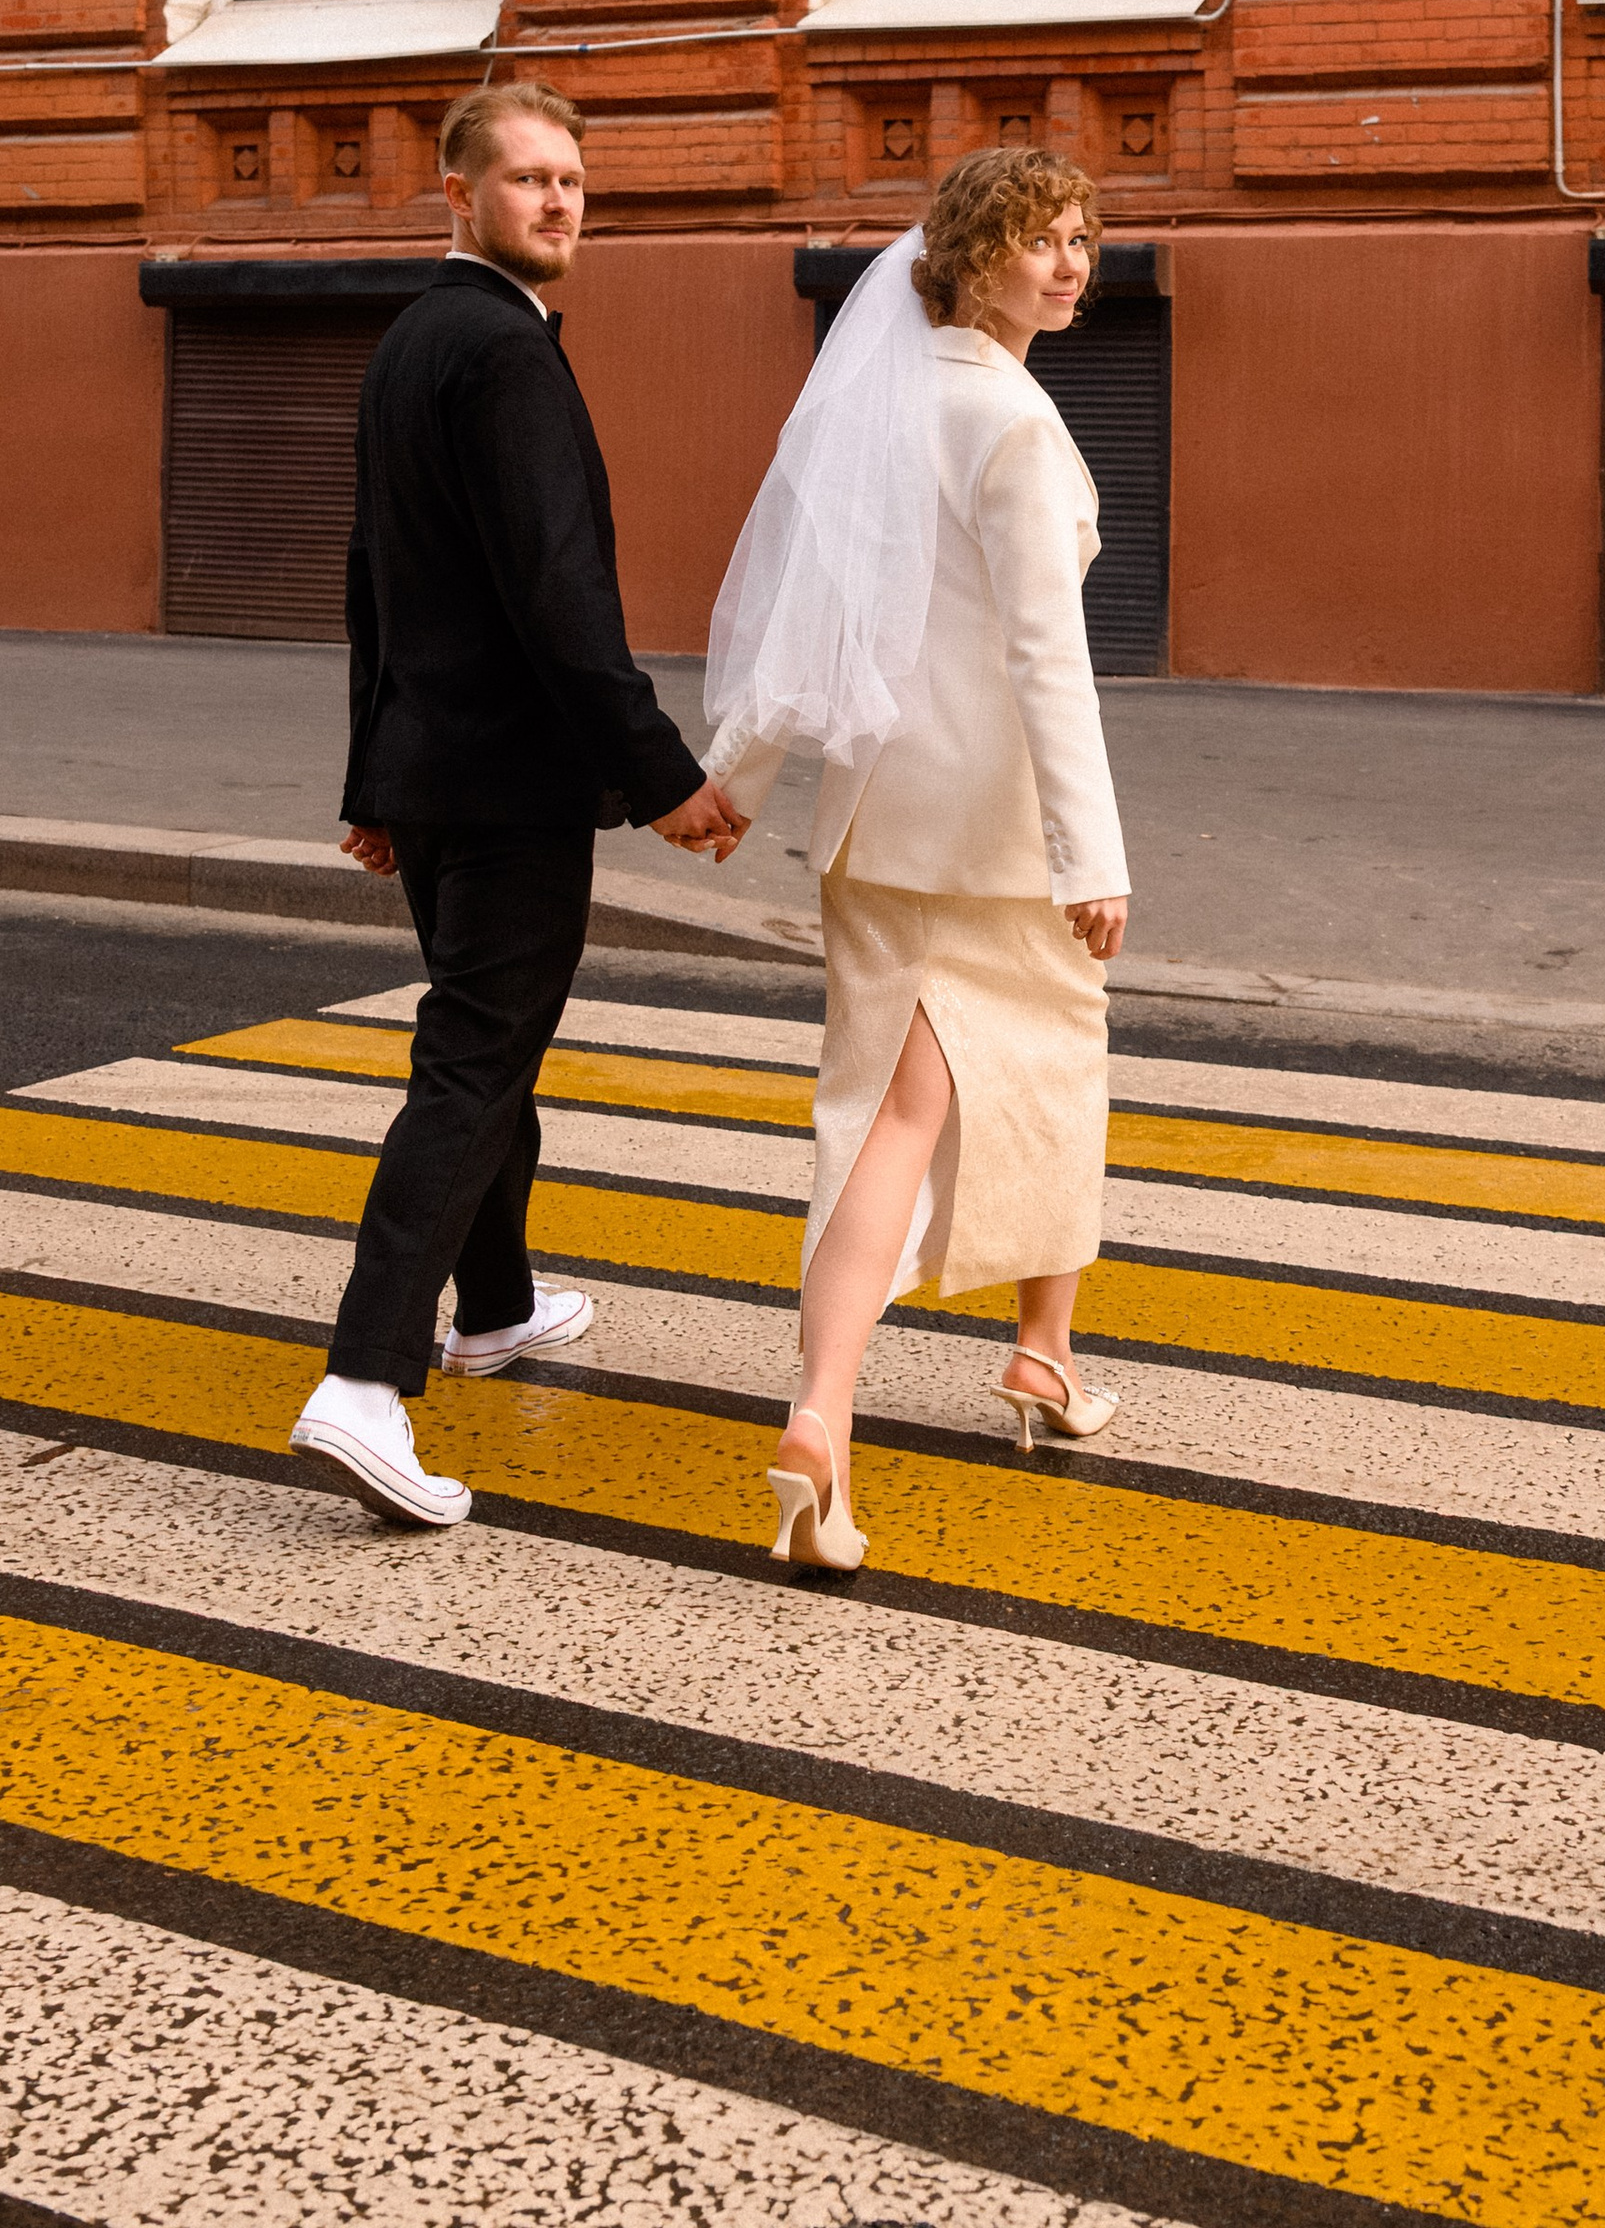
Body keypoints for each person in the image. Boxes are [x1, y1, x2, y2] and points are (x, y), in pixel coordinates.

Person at [289, 81, 746, 1529]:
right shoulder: (505, 355)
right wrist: (662, 772)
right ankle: (365, 1380)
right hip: (502, 783)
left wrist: (374, 776)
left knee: (496, 1043)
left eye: (571, 179)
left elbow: (373, 579)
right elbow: (564, 598)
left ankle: (493, 1306)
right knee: (476, 1060)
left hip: (433, 772)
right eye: (528, 179)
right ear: (461, 195)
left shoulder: (411, 342)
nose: (557, 200)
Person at [702, 146, 1129, 1570]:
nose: (1066, 262)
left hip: (876, 818)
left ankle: (1039, 1353)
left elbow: (805, 620)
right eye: (1035, 239)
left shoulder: (881, 405)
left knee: (904, 1096)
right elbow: (1042, 651)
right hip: (998, 839)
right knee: (939, 1104)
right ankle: (826, 1412)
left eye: (1079, 238)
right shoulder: (1010, 424)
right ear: (964, 257)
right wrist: (1092, 850)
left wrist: (734, 784)